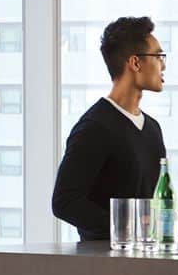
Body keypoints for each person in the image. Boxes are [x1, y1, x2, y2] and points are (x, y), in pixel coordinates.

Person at [51, 16, 169, 241]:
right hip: (105, 266)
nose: (163, 65)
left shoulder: (153, 129)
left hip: (149, 261)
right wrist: (125, 228)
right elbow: (64, 202)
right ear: (135, 63)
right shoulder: (94, 128)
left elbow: (152, 206)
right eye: (158, 56)